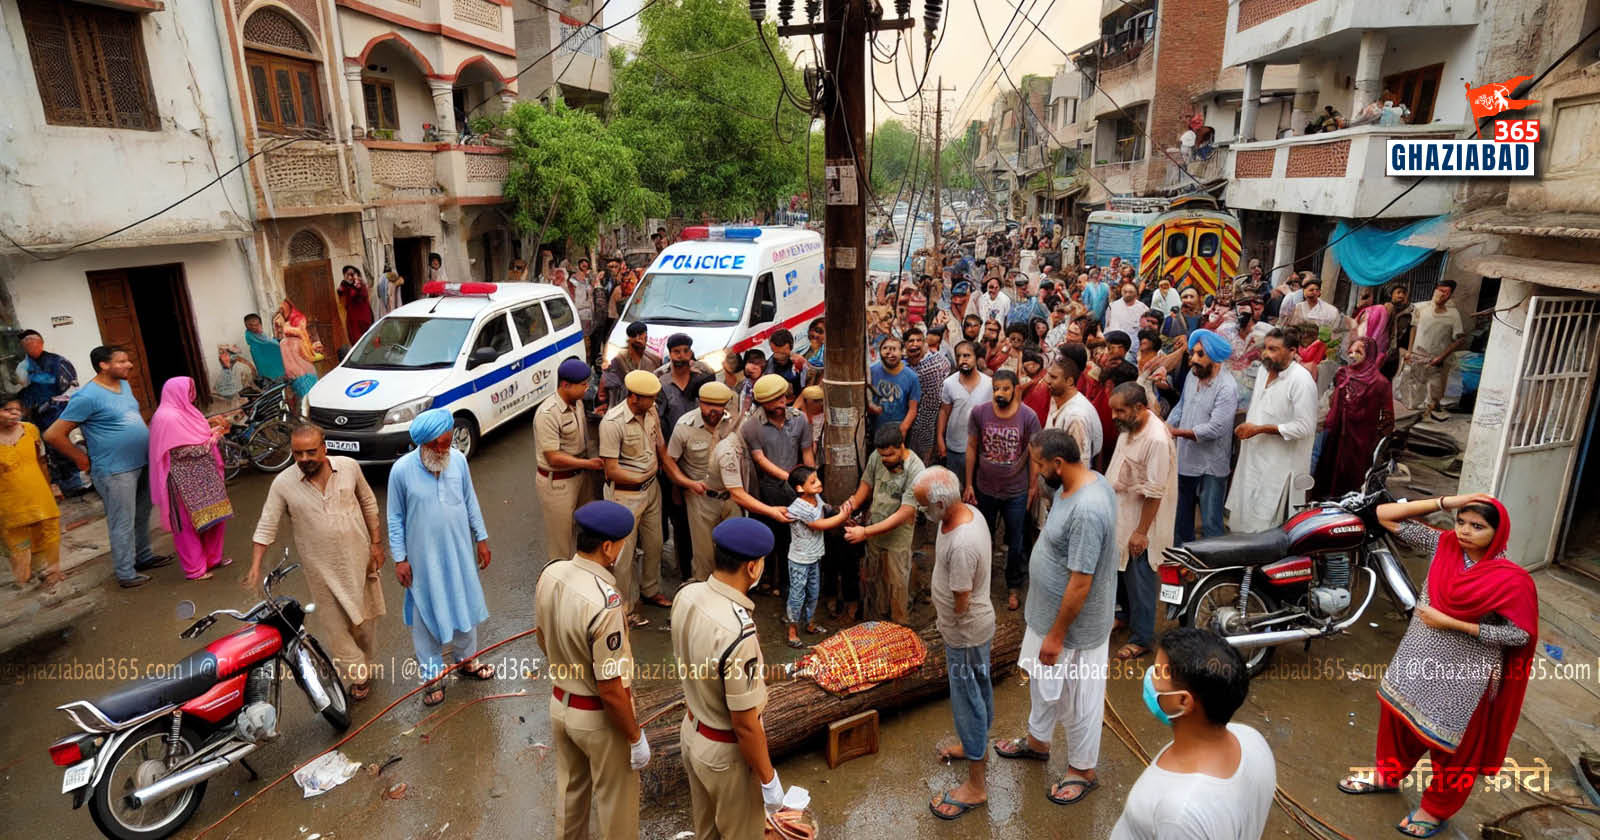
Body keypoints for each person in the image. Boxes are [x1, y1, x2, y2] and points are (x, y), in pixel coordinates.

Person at [1338, 494, 1537, 839]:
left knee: (1453, 749)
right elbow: (1383, 516)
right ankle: (1388, 774)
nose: (1465, 531)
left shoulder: (1511, 580)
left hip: (1464, 678)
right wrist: (1447, 501)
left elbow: (1519, 635)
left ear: (1498, 532)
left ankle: (1435, 809)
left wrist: (1454, 623)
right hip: (1416, 660)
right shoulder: (1443, 544)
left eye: (1478, 526)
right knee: (1398, 723)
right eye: (1461, 521)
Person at [994, 429, 1119, 807]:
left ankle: (1083, 770)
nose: (1036, 471)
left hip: (1073, 630)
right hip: (1049, 619)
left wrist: (1056, 635)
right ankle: (1037, 741)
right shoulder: (1083, 481)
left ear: (1059, 464)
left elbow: (1081, 583)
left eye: (1039, 464)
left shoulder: (1088, 509)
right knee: (1044, 685)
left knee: (1081, 697)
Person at [535, 500, 649, 840]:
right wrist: (634, 736)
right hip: (599, 718)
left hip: (560, 703)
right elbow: (611, 688)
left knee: (571, 797)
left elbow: (542, 636)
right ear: (608, 547)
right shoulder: (605, 601)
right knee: (617, 809)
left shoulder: (550, 573)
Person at [249, 423, 386, 697]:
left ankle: (365, 663)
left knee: (364, 624)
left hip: (360, 561)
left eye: (311, 452)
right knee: (336, 628)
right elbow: (267, 524)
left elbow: (369, 502)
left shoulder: (348, 467)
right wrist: (255, 566)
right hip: (321, 571)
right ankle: (359, 676)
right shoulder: (283, 484)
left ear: (324, 448)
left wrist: (376, 544)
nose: (304, 459)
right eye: (298, 454)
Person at [671, 518, 786, 840]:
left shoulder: (688, 593)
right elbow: (745, 723)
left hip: (692, 731)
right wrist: (768, 780)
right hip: (725, 753)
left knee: (706, 830)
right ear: (752, 567)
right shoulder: (738, 631)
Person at [1109, 628, 1277, 840]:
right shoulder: (1252, 739)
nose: (1150, 676)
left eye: (1159, 672)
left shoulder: (1180, 815)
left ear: (1183, 701)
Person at [387, 408, 494, 706]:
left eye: (446, 442)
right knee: (425, 616)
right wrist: (400, 559)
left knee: (466, 605)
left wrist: (482, 539)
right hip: (423, 561)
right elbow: (395, 518)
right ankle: (433, 676)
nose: (442, 449)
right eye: (436, 444)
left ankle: (467, 660)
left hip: (459, 552)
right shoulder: (401, 471)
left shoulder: (458, 461)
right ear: (422, 444)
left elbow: (470, 500)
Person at [45, 346, 172, 588]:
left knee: (142, 514)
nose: (130, 365)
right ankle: (126, 573)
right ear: (104, 365)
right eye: (122, 361)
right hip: (114, 470)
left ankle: (143, 557)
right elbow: (53, 434)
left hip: (141, 461)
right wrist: (81, 459)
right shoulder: (87, 397)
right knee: (121, 521)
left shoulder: (123, 385)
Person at [915, 466, 995, 821]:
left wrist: (950, 621)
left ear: (942, 502)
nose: (922, 513)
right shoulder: (964, 511)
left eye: (924, 506)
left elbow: (961, 600)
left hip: (965, 633)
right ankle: (976, 747)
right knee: (977, 692)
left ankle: (976, 786)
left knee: (968, 703)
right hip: (969, 629)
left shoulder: (962, 542)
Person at [600, 370, 679, 626]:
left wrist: (669, 474)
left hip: (651, 489)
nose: (654, 402)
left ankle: (650, 589)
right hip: (625, 495)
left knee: (655, 542)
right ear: (634, 397)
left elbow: (662, 447)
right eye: (649, 398)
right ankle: (624, 608)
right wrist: (642, 477)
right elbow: (610, 470)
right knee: (623, 555)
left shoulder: (651, 412)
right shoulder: (612, 423)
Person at [1106, 383, 1177, 661]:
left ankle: (1142, 638)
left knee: (1141, 579)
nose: (1114, 416)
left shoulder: (1156, 439)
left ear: (1139, 408)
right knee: (1120, 571)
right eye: (1113, 409)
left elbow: (1155, 492)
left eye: (1119, 410)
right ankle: (1122, 615)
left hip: (1143, 522)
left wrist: (1141, 532)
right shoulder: (1129, 427)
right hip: (1122, 513)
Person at [1226, 329, 1318, 533]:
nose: (1266, 354)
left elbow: (1305, 426)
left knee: (1266, 526)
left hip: (1279, 466)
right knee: (1243, 519)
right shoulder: (1263, 370)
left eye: (1273, 349)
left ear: (1292, 351)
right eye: (1265, 348)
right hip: (1252, 459)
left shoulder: (1301, 380)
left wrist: (1260, 429)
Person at [964, 370, 1041, 612]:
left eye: (1006, 388)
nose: (1000, 393)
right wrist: (968, 484)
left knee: (1016, 541)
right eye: (996, 388)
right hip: (984, 488)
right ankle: (980, 584)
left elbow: (1034, 455)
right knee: (981, 538)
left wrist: (1032, 487)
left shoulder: (1028, 417)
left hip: (1016, 491)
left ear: (1016, 389)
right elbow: (972, 448)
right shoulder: (979, 413)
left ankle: (1013, 586)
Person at [148, 377, 232, 581]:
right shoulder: (166, 417)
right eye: (189, 389)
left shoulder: (187, 411)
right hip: (182, 479)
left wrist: (211, 433)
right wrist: (212, 439)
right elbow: (183, 449)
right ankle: (195, 569)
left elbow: (197, 435)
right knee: (186, 525)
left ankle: (213, 558)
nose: (192, 394)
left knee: (214, 517)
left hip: (204, 474)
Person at [843, 425, 925, 624]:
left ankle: (898, 630)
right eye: (881, 455)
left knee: (897, 586)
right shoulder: (876, 457)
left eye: (889, 455)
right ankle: (875, 626)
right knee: (874, 583)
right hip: (874, 532)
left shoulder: (916, 469)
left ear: (900, 446)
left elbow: (905, 513)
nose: (884, 459)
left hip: (897, 538)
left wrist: (865, 532)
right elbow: (866, 485)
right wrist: (851, 505)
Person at [742, 374, 814, 599]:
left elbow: (807, 452)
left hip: (795, 491)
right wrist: (792, 477)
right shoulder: (752, 425)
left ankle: (784, 584)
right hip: (766, 490)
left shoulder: (799, 419)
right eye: (774, 400)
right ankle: (762, 580)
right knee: (765, 538)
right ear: (763, 403)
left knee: (789, 540)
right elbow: (760, 460)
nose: (781, 403)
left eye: (783, 397)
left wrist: (811, 480)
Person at [1168, 331, 1239, 544]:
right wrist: (1167, 425)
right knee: (1181, 516)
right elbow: (1182, 406)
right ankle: (1184, 560)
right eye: (1192, 354)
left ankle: (1215, 567)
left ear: (1215, 358)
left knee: (1210, 522)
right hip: (1186, 458)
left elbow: (1215, 429)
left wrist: (1177, 433)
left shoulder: (1227, 387)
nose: (1193, 360)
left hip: (1211, 464)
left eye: (1200, 354)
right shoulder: (1193, 376)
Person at [657, 335, 716, 581]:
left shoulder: (703, 379)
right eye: (677, 352)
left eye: (686, 351)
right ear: (670, 354)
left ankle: (707, 569)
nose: (682, 356)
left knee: (705, 518)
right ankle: (685, 573)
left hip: (700, 460)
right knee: (679, 520)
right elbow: (658, 426)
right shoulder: (660, 383)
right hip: (670, 460)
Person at [535, 359, 605, 562]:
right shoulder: (548, 414)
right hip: (557, 482)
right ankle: (558, 585)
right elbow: (553, 457)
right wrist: (588, 464)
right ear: (565, 385)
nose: (587, 388)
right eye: (583, 385)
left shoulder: (578, 403)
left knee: (586, 532)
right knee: (561, 542)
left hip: (581, 478)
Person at [668, 381, 739, 581]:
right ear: (699, 403)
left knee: (732, 550)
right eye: (708, 404)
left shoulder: (735, 423)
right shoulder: (684, 426)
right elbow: (670, 461)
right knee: (704, 555)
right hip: (700, 498)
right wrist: (685, 483)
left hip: (732, 496)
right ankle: (702, 592)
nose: (713, 410)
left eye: (719, 405)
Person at [1314, 337, 1394, 497]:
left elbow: (1387, 417)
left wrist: (1374, 440)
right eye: (1351, 351)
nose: (1352, 355)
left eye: (1359, 352)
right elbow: (1332, 401)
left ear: (1370, 355)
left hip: (1360, 441)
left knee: (1353, 477)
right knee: (1327, 473)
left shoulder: (1380, 383)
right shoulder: (1342, 374)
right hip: (1335, 435)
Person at [11, 330, 89, 495]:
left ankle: (82, 482)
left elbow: (72, 390)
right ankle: (66, 486)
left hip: (60, 413)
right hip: (37, 415)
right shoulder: (22, 365)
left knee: (70, 446)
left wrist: (51, 404)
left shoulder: (58, 362)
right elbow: (21, 387)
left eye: (32, 342)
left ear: (40, 343)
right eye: (25, 343)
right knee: (49, 451)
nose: (29, 345)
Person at [783, 465, 851, 647]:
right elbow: (819, 525)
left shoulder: (815, 497)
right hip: (800, 560)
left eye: (817, 479)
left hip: (814, 556)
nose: (818, 483)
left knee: (813, 592)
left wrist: (836, 511)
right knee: (797, 595)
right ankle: (792, 631)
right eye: (813, 482)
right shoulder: (798, 507)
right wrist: (843, 515)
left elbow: (825, 509)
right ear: (799, 488)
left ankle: (809, 623)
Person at [0, 394, 63, 591]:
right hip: (9, 502)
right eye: (6, 410)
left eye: (16, 410)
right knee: (17, 540)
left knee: (48, 532)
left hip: (39, 493)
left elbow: (41, 460)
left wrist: (50, 485)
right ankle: (25, 579)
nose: (13, 414)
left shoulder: (30, 430)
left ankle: (51, 573)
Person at [1402, 279, 1468, 420]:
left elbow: (1460, 339)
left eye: (1446, 292)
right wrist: (1409, 350)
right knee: (1413, 393)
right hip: (1417, 356)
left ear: (1450, 296)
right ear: (1435, 290)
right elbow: (1414, 327)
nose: (1441, 294)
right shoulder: (1421, 308)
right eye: (1440, 290)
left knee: (1434, 395)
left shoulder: (1453, 314)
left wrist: (1441, 357)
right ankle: (1413, 420)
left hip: (1437, 362)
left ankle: (1429, 414)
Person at [936, 341, 992, 489]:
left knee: (979, 489)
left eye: (967, 356)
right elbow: (944, 411)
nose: (962, 360)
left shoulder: (989, 384)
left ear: (976, 358)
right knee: (955, 489)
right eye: (958, 356)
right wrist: (940, 438)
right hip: (955, 446)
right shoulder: (949, 383)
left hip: (981, 448)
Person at [903, 326, 950, 464]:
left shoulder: (939, 363)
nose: (915, 344)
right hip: (911, 421)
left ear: (925, 343)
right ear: (904, 345)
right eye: (911, 341)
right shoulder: (902, 367)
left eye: (919, 340)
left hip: (937, 420)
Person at [600, 321, 662, 412]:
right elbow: (608, 385)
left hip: (647, 406)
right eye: (635, 336)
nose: (638, 339)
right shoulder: (617, 359)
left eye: (641, 336)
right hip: (621, 407)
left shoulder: (653, 359)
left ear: (646, 337)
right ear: (629, 338)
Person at [868, 336, 919, 441]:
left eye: (894, 349)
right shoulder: (871, 372)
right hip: (875, 430)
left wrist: (903, 429)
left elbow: (913, 409)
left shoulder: (912, 377)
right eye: (885, 348)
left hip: (899, 430)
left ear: (902, 352)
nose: (889, 353)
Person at [243, 313, 286, 383]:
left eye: (256, 325)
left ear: (260, 324)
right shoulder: (250, 335)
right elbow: (268, 342)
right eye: (250, 325)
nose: (253, 327)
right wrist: (281, 344)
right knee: (270, 377)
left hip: (267, 359)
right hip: (262, 358)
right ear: (246, 325)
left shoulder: (258, 334)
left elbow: (267, 340)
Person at [338, 265, 375, 343]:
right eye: (347, 275)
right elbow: (340, 292)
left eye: (352, 274)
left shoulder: (360, 285)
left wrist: (356, 283)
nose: (349, 277)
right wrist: (345, 283)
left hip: (363, 317)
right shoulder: (345, 285)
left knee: (366, 339)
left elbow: (357, 294)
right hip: (352, 318)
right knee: (355, 340)